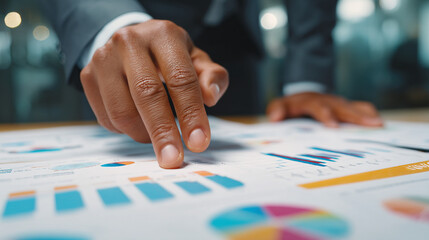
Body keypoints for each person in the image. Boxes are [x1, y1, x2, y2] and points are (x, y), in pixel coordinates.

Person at [41, 0, 383, 169]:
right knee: (127, 126)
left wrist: (306, 79)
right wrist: (116, 25)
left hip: (235, 44)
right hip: (126, 48)